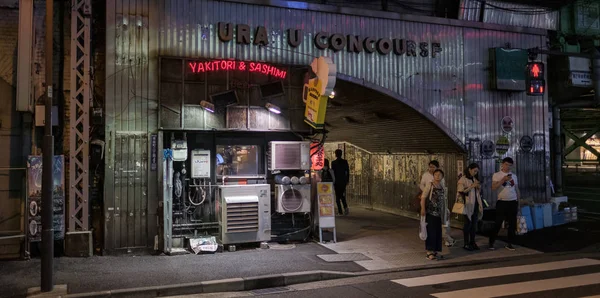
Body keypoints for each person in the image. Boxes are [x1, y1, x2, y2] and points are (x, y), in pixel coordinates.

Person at [420, 160, 455, 247]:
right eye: (430, 166)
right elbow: (423, 193)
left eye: (433, 167)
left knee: (441, 228)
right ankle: (430, 251)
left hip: (441, 211)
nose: (431, 168)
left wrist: (446, 209)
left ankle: (443, 243)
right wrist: (423, 208)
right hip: (431, 210)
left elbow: (444, 198)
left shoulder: (442, 184)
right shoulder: (428, 180)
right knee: (432, 230)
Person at [489, 157, 520, 251]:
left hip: (513, 201)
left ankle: (510, 243)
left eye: (510, 165)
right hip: (502, 201)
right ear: (502, 164)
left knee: (512, 223)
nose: (508, 167)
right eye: (506, 165)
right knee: (498, 222)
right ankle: (491, 241)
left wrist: (519, 202)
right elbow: (493, 187)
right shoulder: (497, 175)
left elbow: (517, 189)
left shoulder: (514, 176)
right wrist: (503, 180)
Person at [458, 163, 484, 251]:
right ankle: (466, 243)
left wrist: (478, 187)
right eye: (474, 171)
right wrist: (472, 186)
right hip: (467, 204)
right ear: (469, 169)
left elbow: (477, 192)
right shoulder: (463, 179)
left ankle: (472, 242)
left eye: (477, 171)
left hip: (475, 203)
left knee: (474, 224)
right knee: (467, 224)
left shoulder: (474, 178)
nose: (475, 173)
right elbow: (461, 191)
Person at [421, 169, 446, 260]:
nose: (437, 176)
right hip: (430, 212)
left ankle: (435, 251)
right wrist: (423, 209)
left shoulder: (442, 186)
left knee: (437, 232)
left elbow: (443, 200)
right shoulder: (430, 185)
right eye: (436, 174)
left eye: (440, 174)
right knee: (430, 232)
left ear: (442, 176)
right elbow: (423, 197)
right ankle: (429, 252)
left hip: (439, 213)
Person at [331, 149, 350, 216]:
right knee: (342, 195)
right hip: (343, 181)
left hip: (336, 182)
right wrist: (347, 180)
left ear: (336, 154)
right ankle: (345, 208)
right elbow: (347, 172)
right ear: (341, 154)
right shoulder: (345, 162)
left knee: (337, 197)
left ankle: (340, 211)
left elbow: (332, 173)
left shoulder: (333, 163)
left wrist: (332, 181)